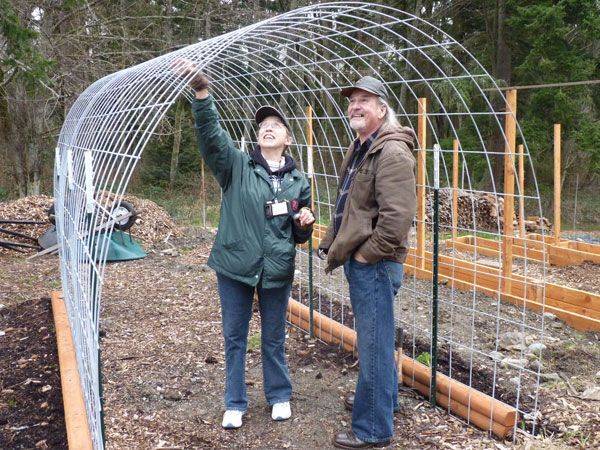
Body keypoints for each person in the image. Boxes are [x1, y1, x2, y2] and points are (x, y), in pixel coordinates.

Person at [171, 59, 315, 429]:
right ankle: (235, 402)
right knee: (235, 337)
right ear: (257, 137)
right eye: (263, 126)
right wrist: (202, 94)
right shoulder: (236, 166)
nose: (268, 129)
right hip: (235, 265)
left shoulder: (299, 181)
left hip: (277, 268)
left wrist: (304, 225)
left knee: (273, 337)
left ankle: (279, 395)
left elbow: (296, 232)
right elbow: (212, 139)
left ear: (288, 138)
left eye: (276, 126)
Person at [318, 76, 417, 448]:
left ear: (381, 109)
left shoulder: (391, 152)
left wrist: (364, 254)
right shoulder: (363, 146)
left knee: (374, 344)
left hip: (375, 262)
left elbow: (397, 219)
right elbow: (353, 204)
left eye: (364, 100)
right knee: (378, 338)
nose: (355, 106)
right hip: (367, 261)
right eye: (352, 100)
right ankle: (382, 401)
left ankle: (373, 429)